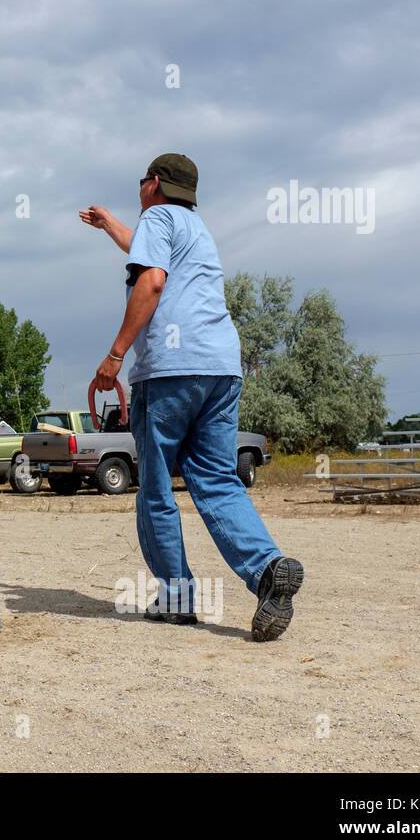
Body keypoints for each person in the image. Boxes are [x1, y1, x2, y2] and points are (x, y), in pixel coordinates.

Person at [81, 154, 303, 642]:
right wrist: (108, 225)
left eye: (142, 180)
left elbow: (152, 279)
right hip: (221, 369)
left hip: (170, 372)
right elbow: (145, 250)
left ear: (154, 183)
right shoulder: (196, 229)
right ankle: (269, 570)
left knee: (156, 486)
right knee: (218, 479)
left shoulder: (156, 217)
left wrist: (115, 355)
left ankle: (177, 597)